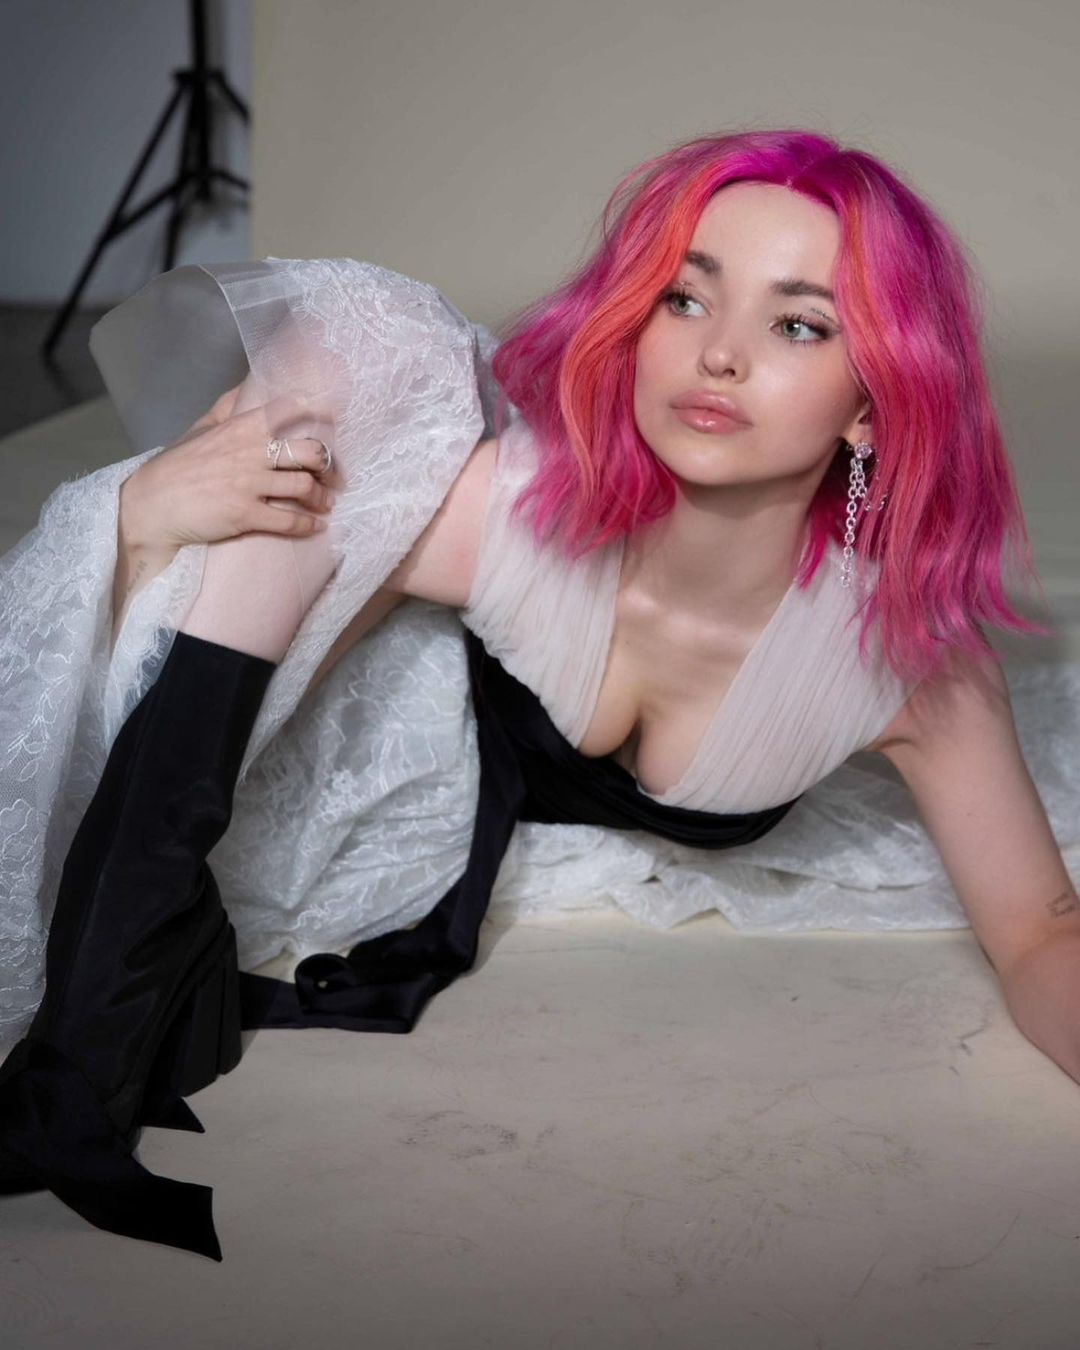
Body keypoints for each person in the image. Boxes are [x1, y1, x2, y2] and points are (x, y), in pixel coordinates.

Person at [1, 128, 1078, 1261]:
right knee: (342, 365)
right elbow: (240, 586)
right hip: (408, 741)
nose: (719, 355)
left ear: (874, 404)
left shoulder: (906, 664)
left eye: (799, 325)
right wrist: (143, 517)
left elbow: (1041, 931)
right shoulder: (500, 513)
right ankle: (99, 1018)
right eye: (685, 300)